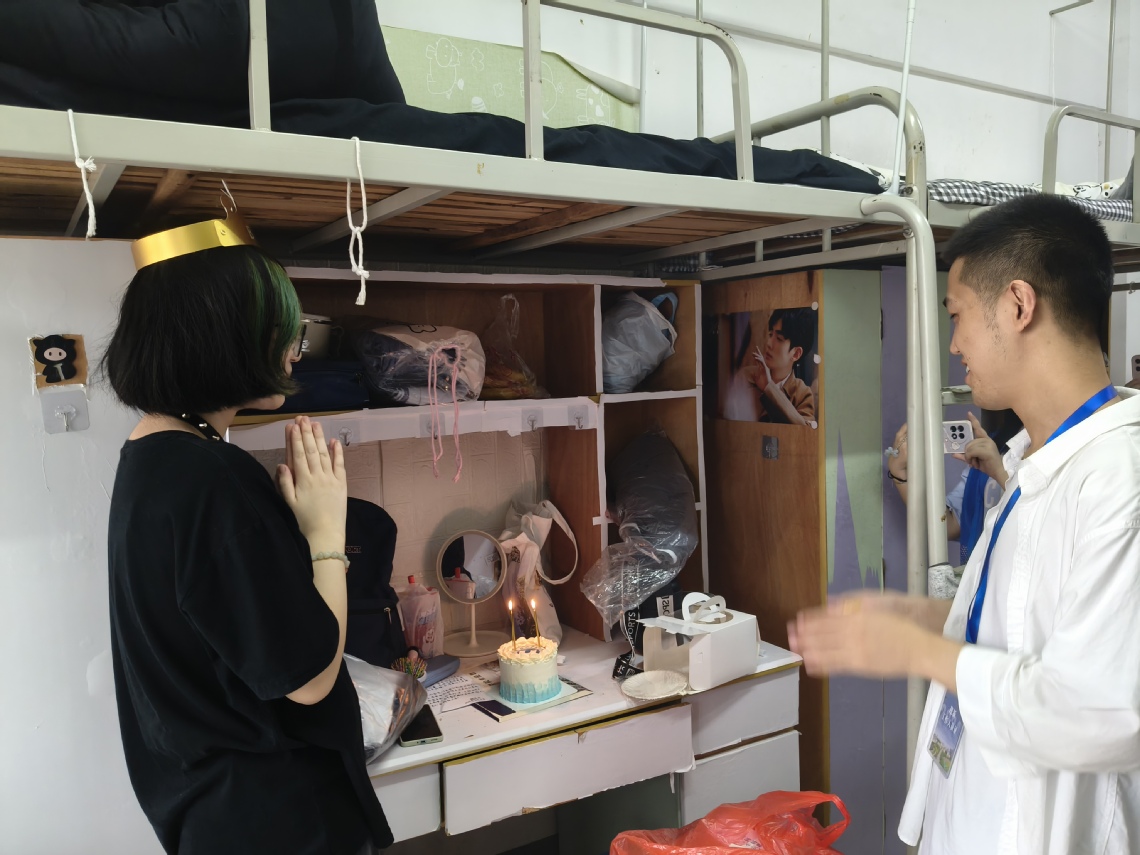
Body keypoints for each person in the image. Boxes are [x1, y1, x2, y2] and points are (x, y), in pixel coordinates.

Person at [788, 194, 1140, 854]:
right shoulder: (1035, 459)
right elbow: (1027, 618)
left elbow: (1099, 712)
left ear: (1018, 305)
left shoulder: (1120, 480)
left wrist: (918, 651)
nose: (953, 344)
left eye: (957, 316)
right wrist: (921, 616)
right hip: (976, 808)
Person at [103, 207, 392, 854]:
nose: (294, 349)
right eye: (282, 331)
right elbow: (311, 677)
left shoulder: (150, 455)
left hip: (216, 813)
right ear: (224, 338)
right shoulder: (212, 479)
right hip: (279, 823)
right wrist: (326, 530)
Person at [887, 409, 1022, 567]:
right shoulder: (997, 445)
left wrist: (999, 472)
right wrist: (901, 474)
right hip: (984, 574)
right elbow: (947, 526)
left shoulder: (1046, 451)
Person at [747, 307, 817, 425]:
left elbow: (805, 431)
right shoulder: (747, 376)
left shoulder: (802, 393)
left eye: (779, 339)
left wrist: (769, 388)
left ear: (796, 353)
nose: (769, 343)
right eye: (770, 334)